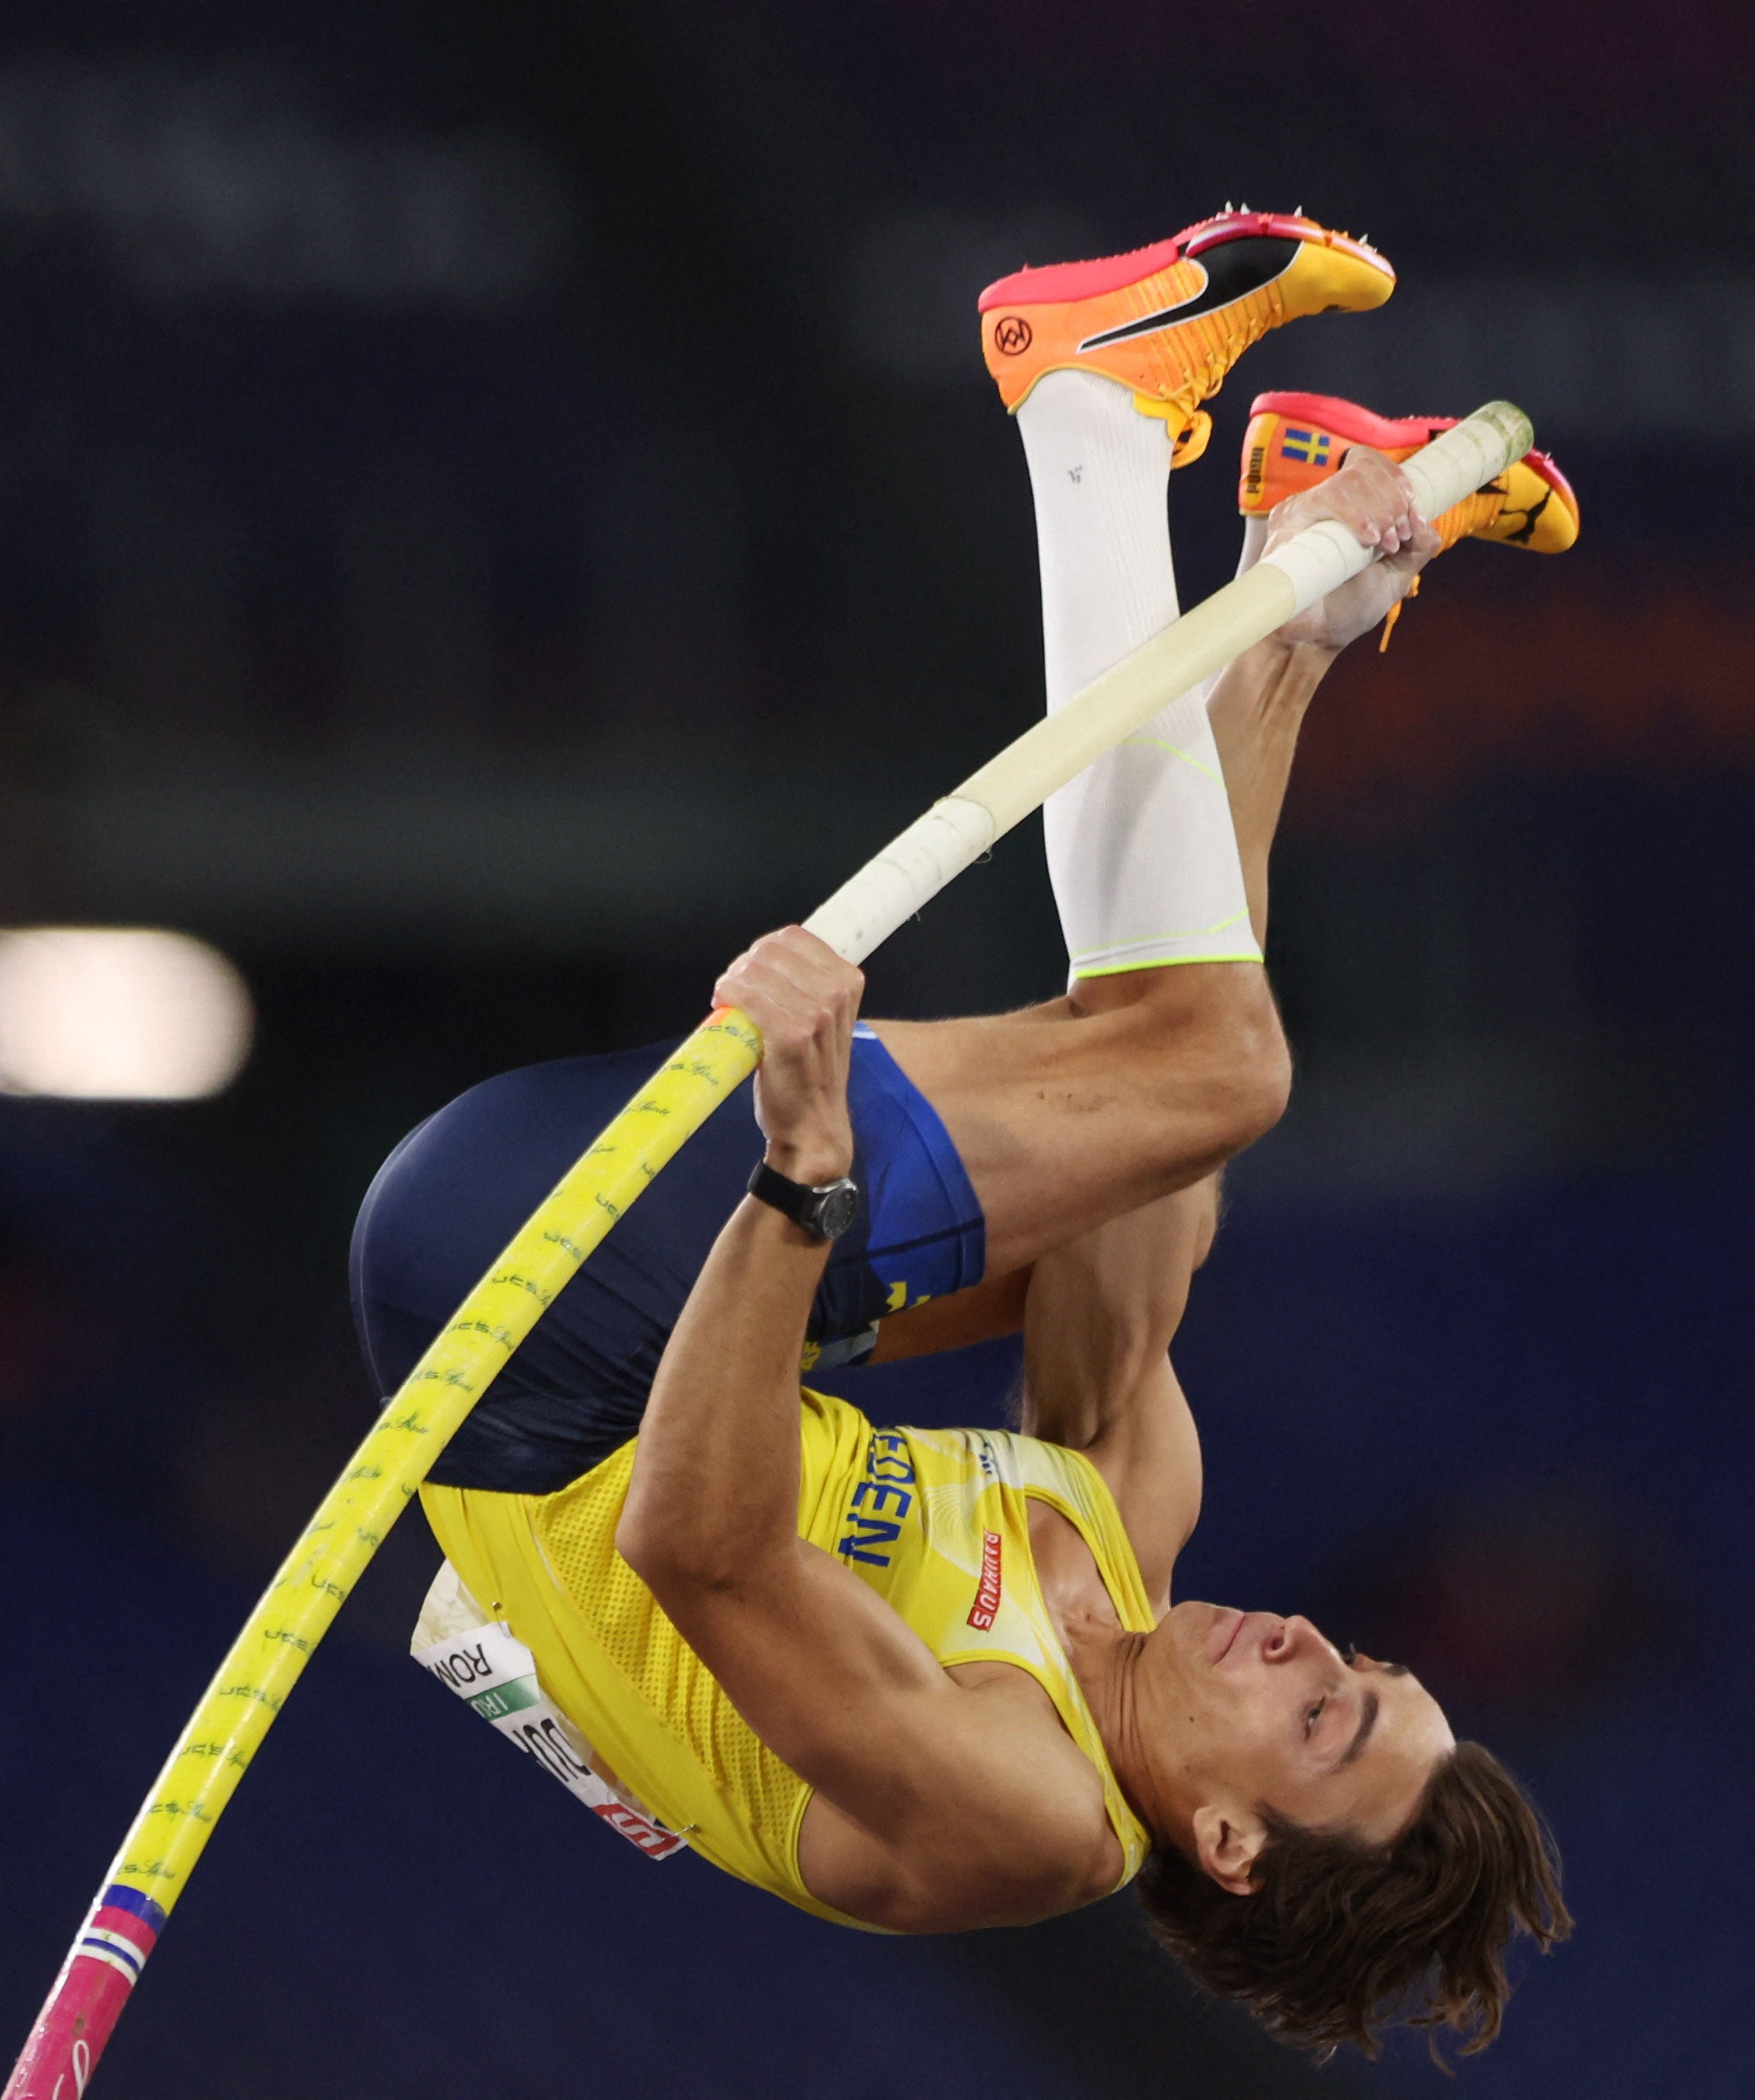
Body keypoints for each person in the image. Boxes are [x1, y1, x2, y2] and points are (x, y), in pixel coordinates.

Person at [352, 209, 1572, 2059]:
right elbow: (1147, 1100)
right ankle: (1287, 547)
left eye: (1325, 1719)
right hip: (593, 1295)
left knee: (1212, 1076)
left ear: (1232, 1843)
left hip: (536, 1330)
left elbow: (701, 1545)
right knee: (1174, 1113)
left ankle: (1082, 412)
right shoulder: (1123, 1522)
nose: (1315, 1650)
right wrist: (1284, 657)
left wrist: (798, 1172)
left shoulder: (1026, 1814)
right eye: (1367, 1663)